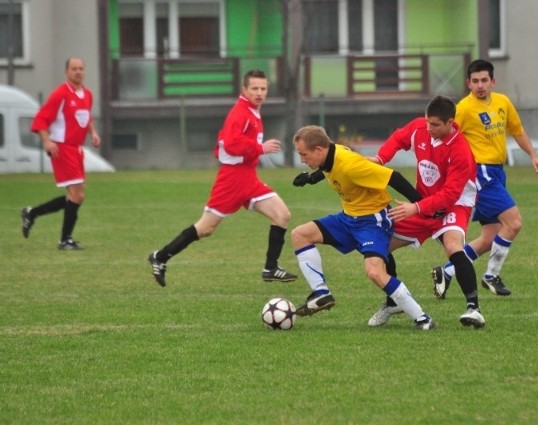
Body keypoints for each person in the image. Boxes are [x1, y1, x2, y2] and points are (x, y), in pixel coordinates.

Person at [147, 70, 297, 287]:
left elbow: (223, 144)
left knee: (282, 215)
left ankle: (270, 268)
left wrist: (254, 151)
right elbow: (229, 144)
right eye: (254, 88)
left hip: (249, 178)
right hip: (232, 180)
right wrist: (260, 148)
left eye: (263, 88)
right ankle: (160, 257)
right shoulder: (241, 113)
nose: (259, 93)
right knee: (206, 228)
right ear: (244, 90)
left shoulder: (253, 111)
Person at [290, 125, 436, 330]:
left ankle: (422, 318)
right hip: (348, 219)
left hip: (372, 220)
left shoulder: (351, 164)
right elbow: (328, 168)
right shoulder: (330, 155)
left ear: (319, 150)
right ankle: (321, 293)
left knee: (375, 272)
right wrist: (310, 178)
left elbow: (393, 177)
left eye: (304, 154)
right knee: (299, 235)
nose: (302, 159)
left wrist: (422, 206)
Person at [366, 96, 485, 329]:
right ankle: (392, 302)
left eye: (435, 125)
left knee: (453, 246)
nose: (428, 128)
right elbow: (398, 138)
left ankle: (474, 309)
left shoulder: (461, 150)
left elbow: (450, 194)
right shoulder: (421, 127)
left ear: (450, 122)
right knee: (380, 245)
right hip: (422, 203)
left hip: (454, 205)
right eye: (428, 122)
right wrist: (380, 158)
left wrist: (415, 207)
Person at [432, 59, 538, 298]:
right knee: (514, 223)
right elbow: (446, 137)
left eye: (484, 80)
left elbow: (517, 131)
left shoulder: (503, 102)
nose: (480, 85)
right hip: (480, 173)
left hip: (497, 171)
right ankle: (491, 276)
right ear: (468, 83)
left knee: (490, 237)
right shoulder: (463, 108)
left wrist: (534, 156)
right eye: (475, 81)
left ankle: (448, 272)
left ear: (493, 81)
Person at [21, 57, 101, 250]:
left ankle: (32, 213)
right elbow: (41, 119)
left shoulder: (87, 94)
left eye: (81, 68)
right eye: (74, 69)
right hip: (62, 148)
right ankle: (65, 240)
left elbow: (87, 116)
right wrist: (47, 141)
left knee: (75, 196)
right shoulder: (60, 94)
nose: (78, 72)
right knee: (77, 194)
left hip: (76, 149)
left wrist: (93, 132)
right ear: (66, 72)